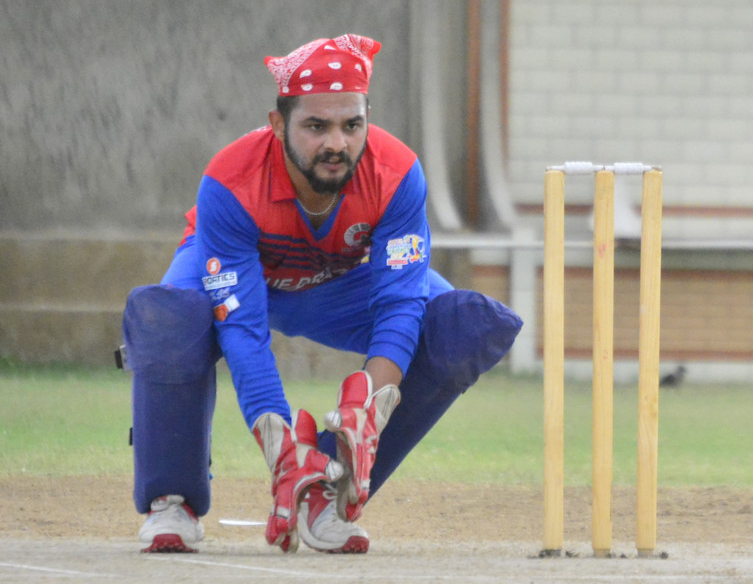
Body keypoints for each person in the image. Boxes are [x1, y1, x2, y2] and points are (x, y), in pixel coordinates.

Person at [123, 34, 522, 554]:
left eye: (351, 125)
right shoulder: (229, 180)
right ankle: (172, 497)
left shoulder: (397, 172)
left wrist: (371, 407)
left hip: (342, 280)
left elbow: (401, 302)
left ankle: (329, 490)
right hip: (249, 279)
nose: (337, 144)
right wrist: (281, 448)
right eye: (316, 126)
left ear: (367, 120)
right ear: (278, 124)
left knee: (460, 328)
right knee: (168, 319)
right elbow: (242, 325)